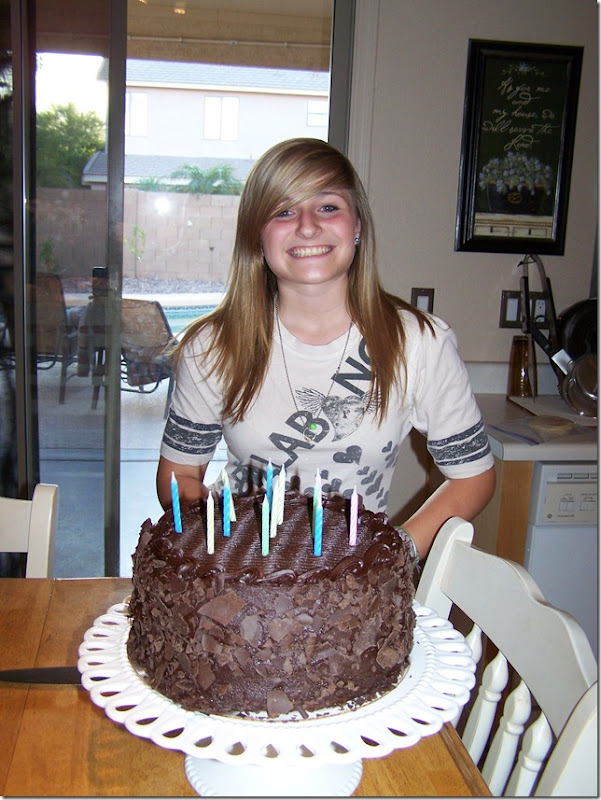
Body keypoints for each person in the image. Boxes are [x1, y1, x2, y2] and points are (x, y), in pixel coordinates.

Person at [157, 137, 495, 560]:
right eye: (283, 211)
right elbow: (180, 473)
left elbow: (473, 476)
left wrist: (392, 553)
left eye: (328, 206)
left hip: (359, 582)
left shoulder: (421, 343)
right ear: (256, 236)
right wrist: (227, 542)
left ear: (357, 225)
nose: (307, 225)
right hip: (244, 575)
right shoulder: (211, 347)